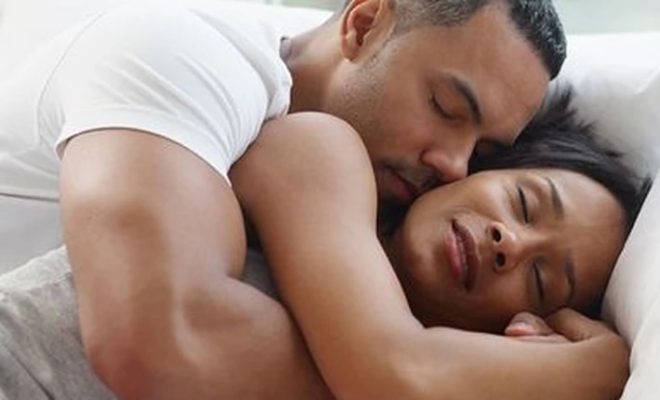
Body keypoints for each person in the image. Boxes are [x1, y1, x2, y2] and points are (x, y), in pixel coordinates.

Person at [0, 0, 585, 397]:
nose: (454, 165)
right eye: (446, 108)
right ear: (364, 24)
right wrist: (572, 371)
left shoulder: (374, 210)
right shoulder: (187, 55)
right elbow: (159, 343)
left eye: (482, 152)